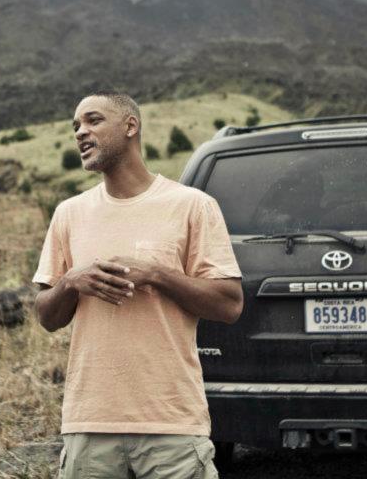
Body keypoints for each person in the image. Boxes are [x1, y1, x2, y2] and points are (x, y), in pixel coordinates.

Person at [33, 92, 244, 479]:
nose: (81, 132)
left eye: (93, 120)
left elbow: (230, 305)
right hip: (89, 426)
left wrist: (156, 274)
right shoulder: (69, 214)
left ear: (131, 126)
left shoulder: (192, 206)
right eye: (75, 126)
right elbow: (46, 316)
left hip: (171, 425)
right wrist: (70, 282)